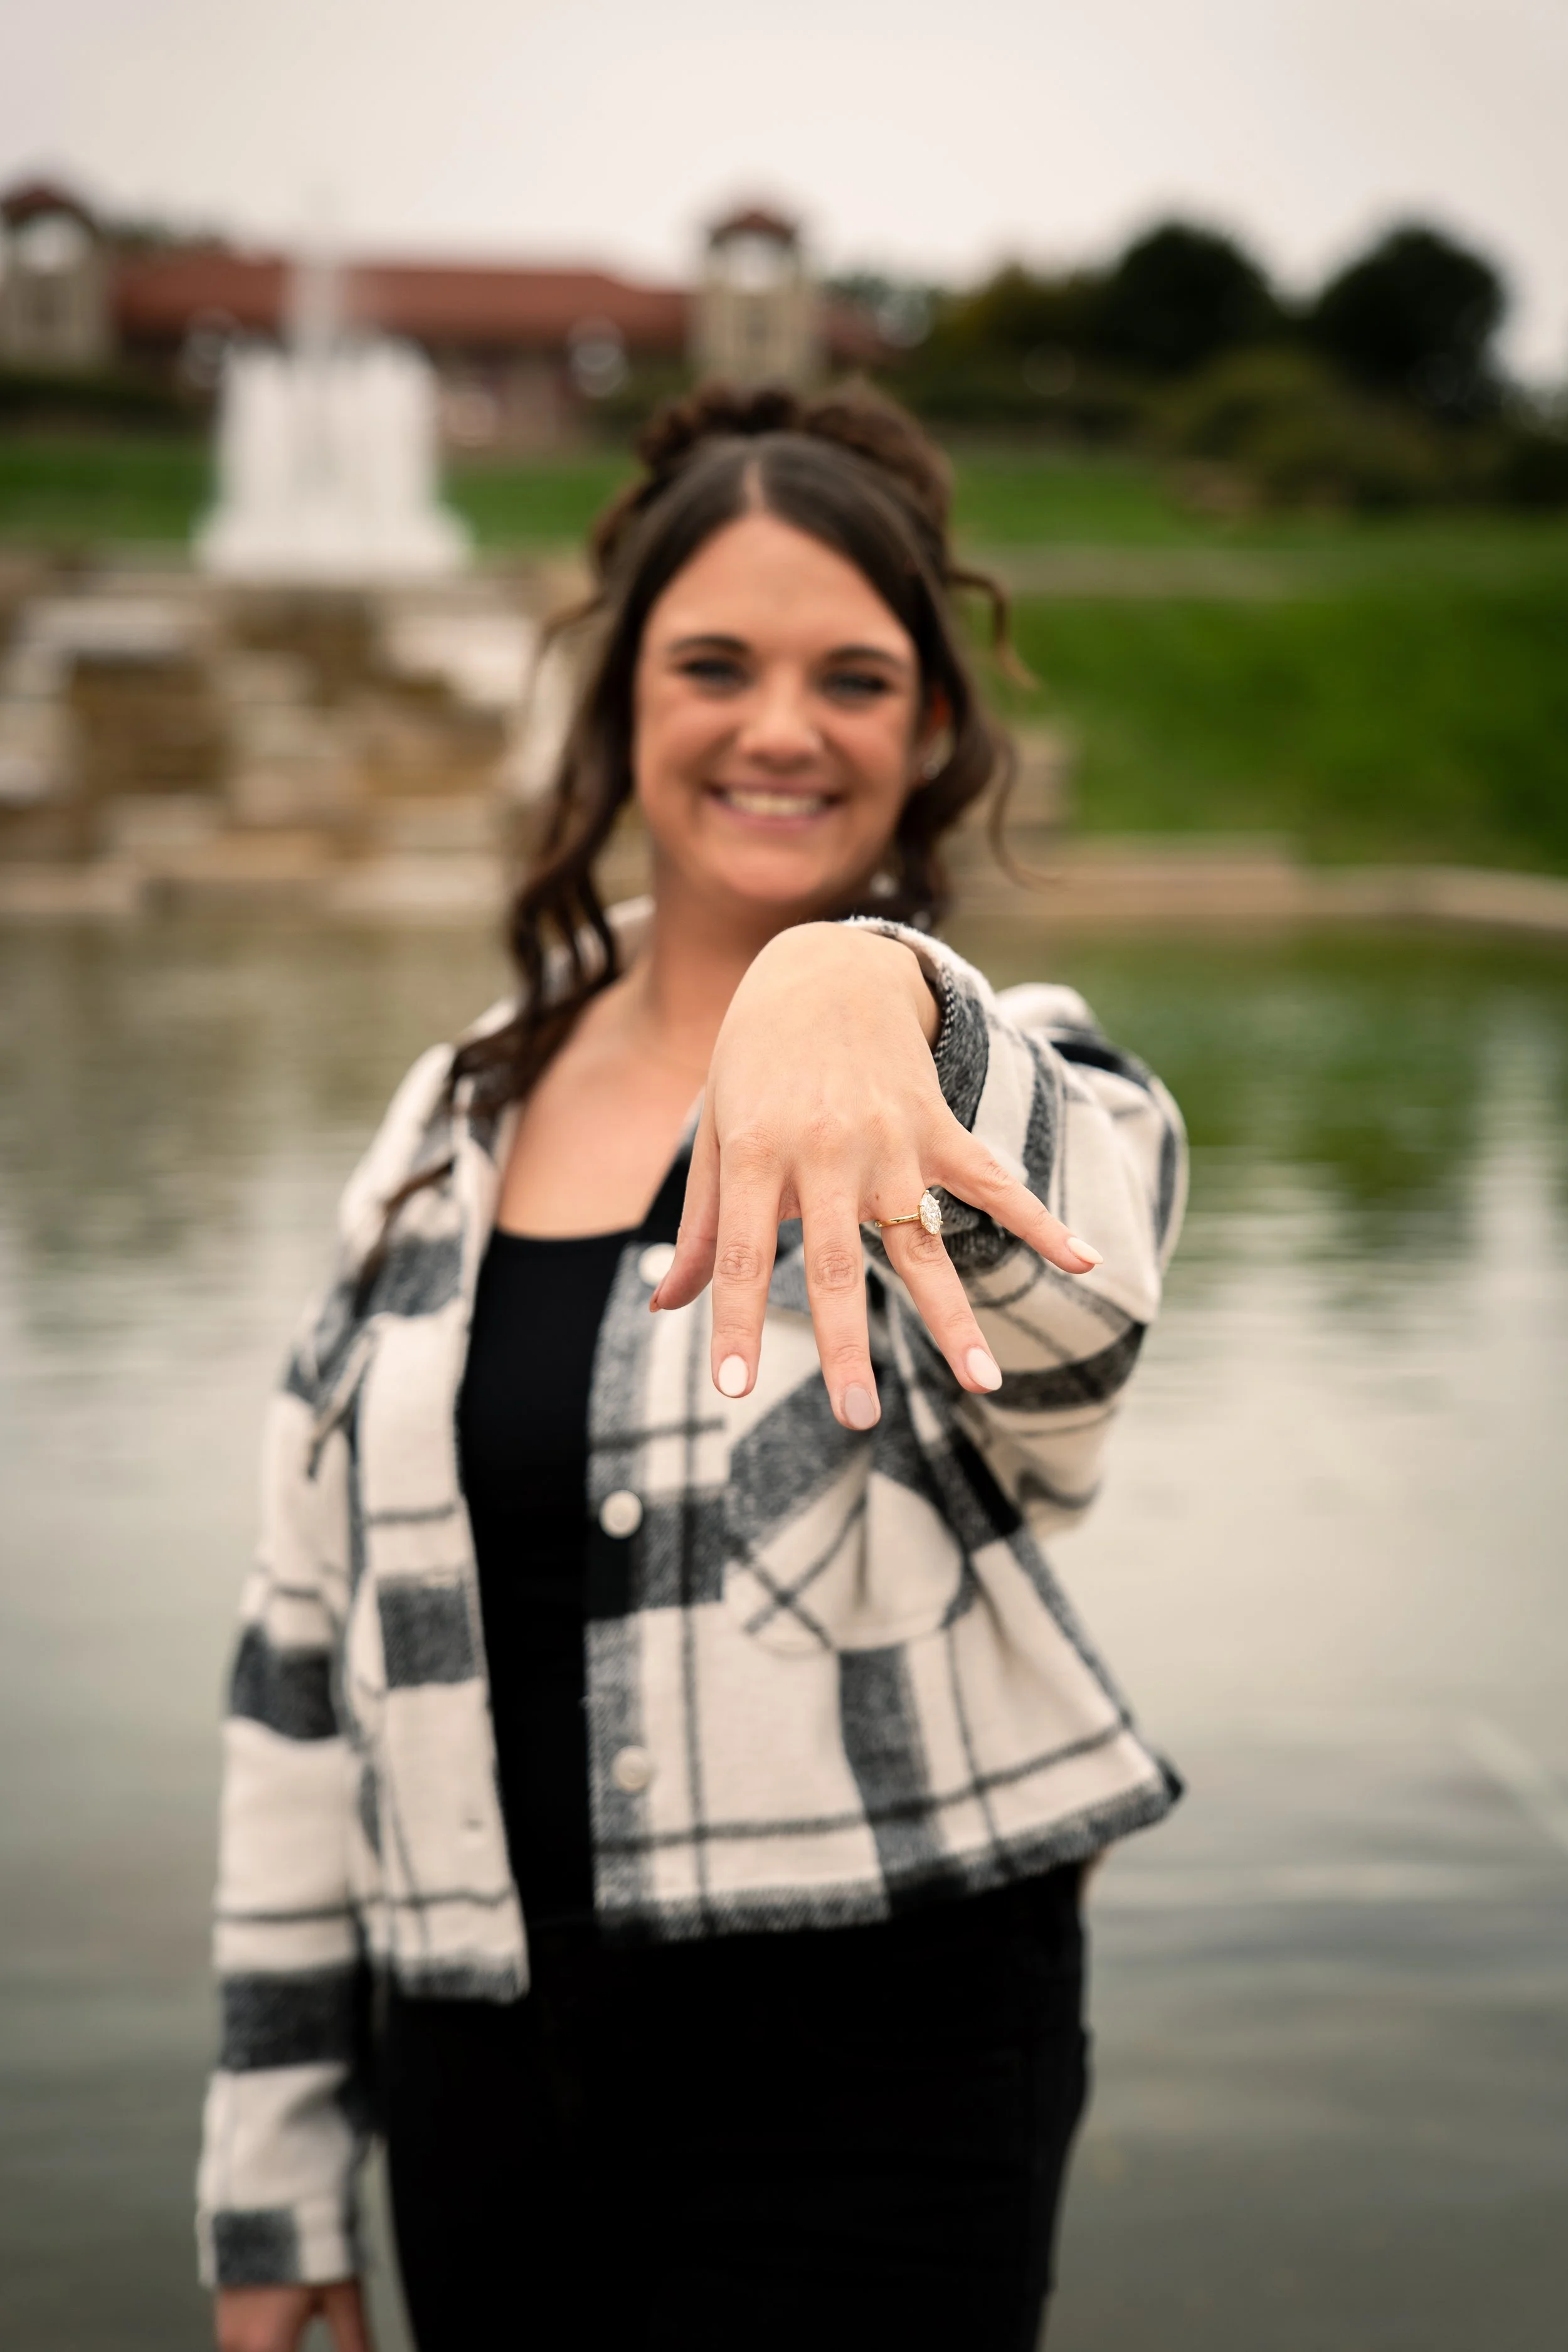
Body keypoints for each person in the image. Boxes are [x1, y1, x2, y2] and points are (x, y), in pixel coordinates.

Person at [201, 381, 1186, 2352]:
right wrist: (273, 2159)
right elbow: (305, 1658)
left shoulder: (1021, 1066)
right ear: (620, 703)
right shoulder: (440, 1120)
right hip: (471, 2070)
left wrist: (863, 977)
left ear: (927, 730)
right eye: (713, 662)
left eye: (853, 675)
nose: (778, 726)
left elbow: (1084, 1318)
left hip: (884, 2064)